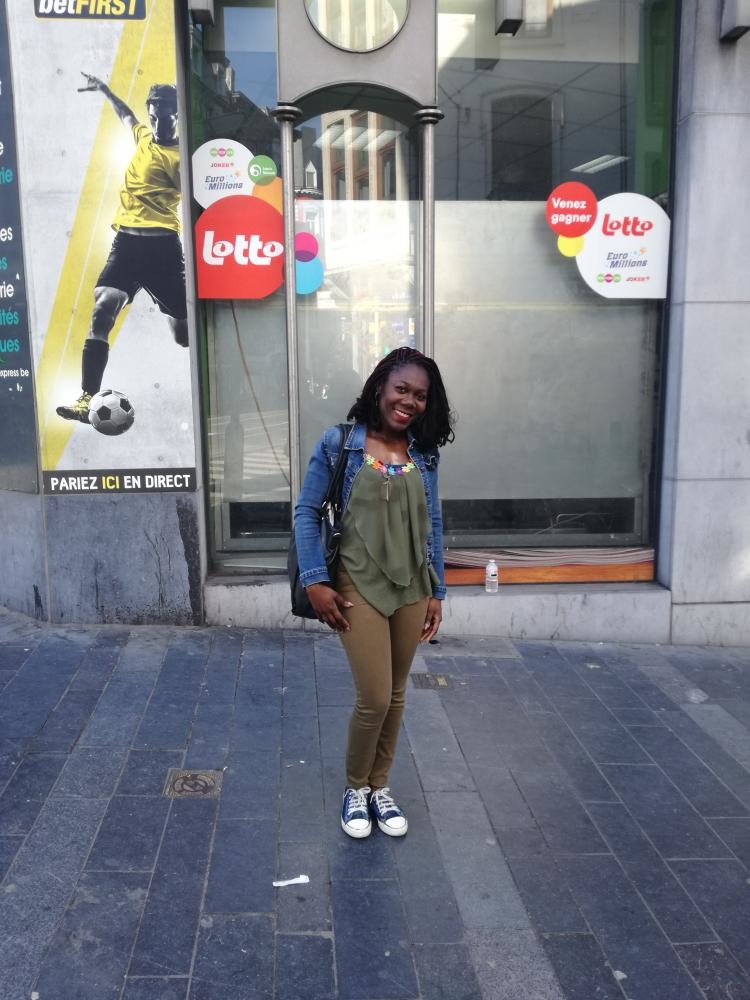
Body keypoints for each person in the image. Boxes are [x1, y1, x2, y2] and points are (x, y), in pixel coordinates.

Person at [294, 347, 455, 838]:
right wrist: (315, 580)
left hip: (411, 585)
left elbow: (433, 523)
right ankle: (355, 788)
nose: (410, 402)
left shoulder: (424, 453)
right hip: (355, 584)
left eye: (420, 395)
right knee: (375, 697)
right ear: (380, 386)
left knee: (398, 694)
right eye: (402, 389)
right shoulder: (340, 443)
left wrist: (437, 590)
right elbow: (306, 512)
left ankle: (379, 787)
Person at [56, 74, 188, 424]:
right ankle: (87, 398)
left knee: (184, 337)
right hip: (126, 245)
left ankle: (178, 308)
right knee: (102, 310)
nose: (159, 125)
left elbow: (194, 200)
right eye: (154, 116)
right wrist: (104, 89)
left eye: (167, 118)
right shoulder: (143, 136)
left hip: (162, 249)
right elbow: (126, 115)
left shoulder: (181, 158)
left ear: (178, 116)